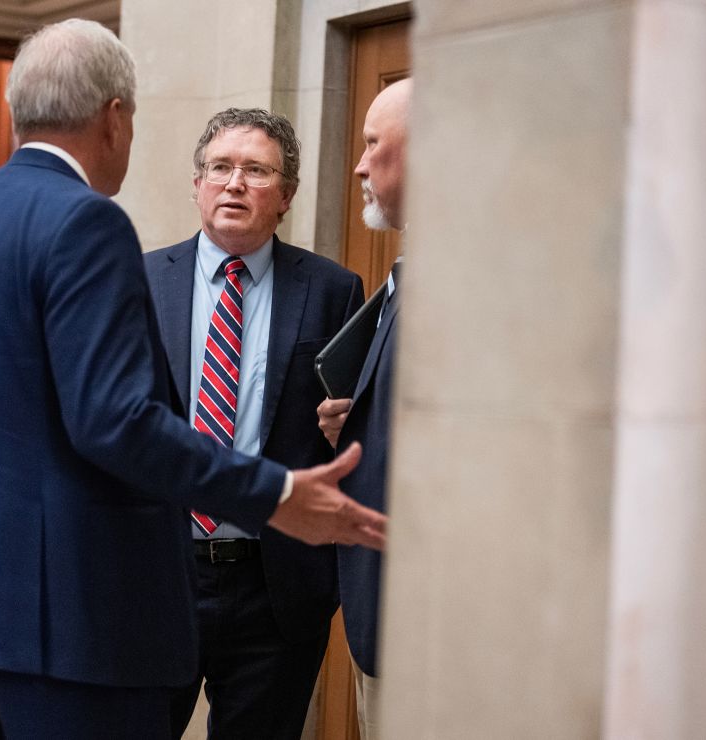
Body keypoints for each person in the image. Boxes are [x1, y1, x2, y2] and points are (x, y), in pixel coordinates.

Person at [0, 19, 387, 739]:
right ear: (114, 117)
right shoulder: (86, 224)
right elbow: (115, 421)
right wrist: (275, 492)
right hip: (62, 621)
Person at [144, 109, 364, 739]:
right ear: (196, 185)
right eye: (220, 167)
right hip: (160, 574)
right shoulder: (138, 281)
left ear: (286, 194)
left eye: (257, 171)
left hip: (277, 587)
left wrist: (346, 427)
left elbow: (355, 431)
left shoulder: (332, 290)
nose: (234, 183)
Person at [317, 78, 412, 740]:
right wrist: (357, 418)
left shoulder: (467, 277)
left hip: (420, 628)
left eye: (372, 143)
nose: (357, 164)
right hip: (379, 613)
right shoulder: (411, 270)